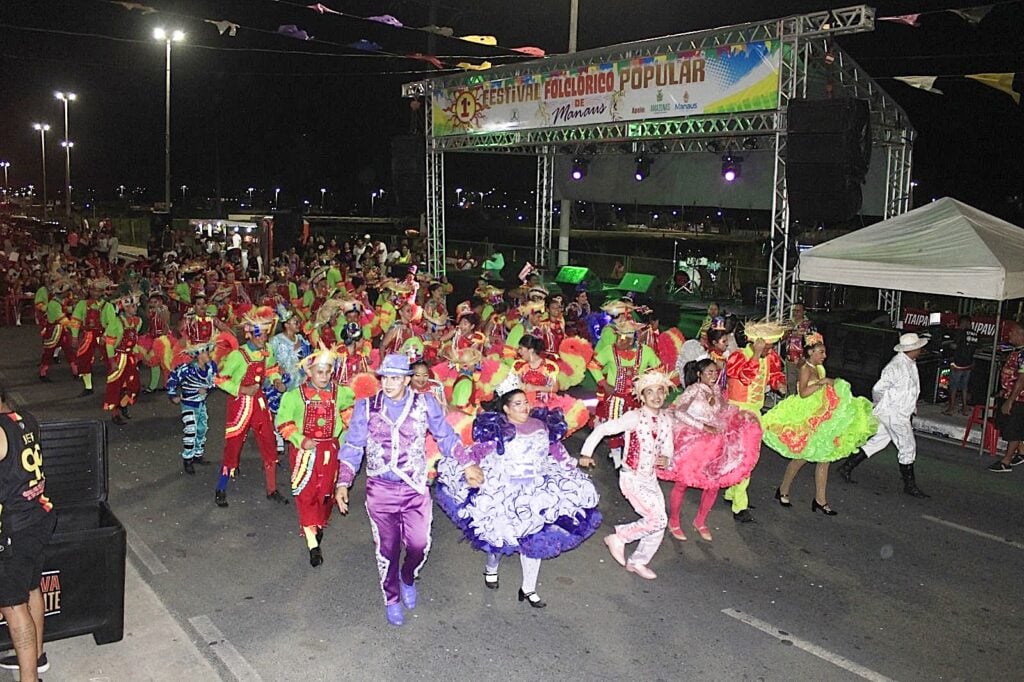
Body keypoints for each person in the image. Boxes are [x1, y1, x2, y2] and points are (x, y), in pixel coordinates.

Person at [334, 354, 485, 627]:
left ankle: (407, 577)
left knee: (419, 545)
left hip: (415, 487)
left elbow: (446, 436)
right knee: (387, 549)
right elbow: (354, 445)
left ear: (406, 380)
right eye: (385, 378)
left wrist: (467, 463)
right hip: (380, 488)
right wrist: (343, 482)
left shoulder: (425, 403)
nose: (388, 383)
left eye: (394, 378)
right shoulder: (366, 407)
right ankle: (391, 598)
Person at [434, 374, 601, 608]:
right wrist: (468, 469)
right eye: (518, 404)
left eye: (525, 402)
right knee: (499, 536)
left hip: (538, 489)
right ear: (506, 409)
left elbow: (557, 452)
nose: (525, 407)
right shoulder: (499, 430)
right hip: (505, 488)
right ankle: (491, 567)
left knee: (534, 538)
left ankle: (528, 588)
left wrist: (573, 465)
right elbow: (475, 454)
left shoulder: (541, 424)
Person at [761, 333, 877, 515]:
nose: (824, 355)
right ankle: (783, 489)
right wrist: (821, 383)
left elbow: (826, 386)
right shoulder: (805, 368)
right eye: (821, 352)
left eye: (825, 352)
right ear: (811, 352)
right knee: (801, 458)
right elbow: (803, 393)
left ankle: (820, 500)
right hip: (808, 416)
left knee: (825, 457)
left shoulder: (819, 368)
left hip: (822, 415)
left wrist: (829, 385)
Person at [581, 369, 674, 580]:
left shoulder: (667, 420)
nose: (656, 396)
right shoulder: (634, 417)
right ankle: (619, 537)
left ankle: (638, 561)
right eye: (650, 392)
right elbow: (604, 429)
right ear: (641, 397)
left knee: (658, 522)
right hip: (631, 478)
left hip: (650, 478)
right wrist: (586, 452)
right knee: (658, 519)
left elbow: (668, 446)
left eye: (660, 391)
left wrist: (666, 457)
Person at [659, 359, 762, 541]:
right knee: (683, 482)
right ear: (699, 374)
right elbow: (679, 412)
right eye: (709, 373)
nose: (713, 376)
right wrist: (702, 426)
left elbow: (723, 411)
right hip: (693, 442)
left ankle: (700, 521)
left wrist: (741, 416)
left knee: (713, 484)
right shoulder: (693, 390)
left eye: (715, 373)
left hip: (716, 443)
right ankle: (674, 521)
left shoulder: (716, 391)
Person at [275, 347, 355, 567]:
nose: (324, 376)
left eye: (328, 372)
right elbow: (283, 422)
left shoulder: (342, 394)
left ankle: (316, 525)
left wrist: (344, 441)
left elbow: (350, 422)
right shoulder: (294, 396)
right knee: (305, 495)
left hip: (331, 453)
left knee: (326, 495)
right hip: (304, 454)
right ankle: (313, 546)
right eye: (319, 372)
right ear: (309, 372)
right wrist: (301, 440)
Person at [0, 384, 55, 679]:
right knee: (32, 587)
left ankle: (30, 678)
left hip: (15, 528)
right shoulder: (25, 419)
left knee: (11, 604)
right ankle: (36, 656)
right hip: (38, 516)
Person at [836, 332, 930, 497]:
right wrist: (880, 405)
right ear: (912, 349)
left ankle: (846, 467)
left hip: (897, 411)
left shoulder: (909, 363)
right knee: (907, 446)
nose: (920, 350)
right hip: (894, 413)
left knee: (877, 442)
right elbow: (878, 389)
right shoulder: (895, 366)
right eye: (918, 348)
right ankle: (910, 485)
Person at [213, 308, 288, 508]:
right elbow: (219, 379)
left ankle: (272, 489)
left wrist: (276, 380)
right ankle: (221, 487)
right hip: (239, 404)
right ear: (249, 333)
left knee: (269, 442)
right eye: (259, 333)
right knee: (233, 444)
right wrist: (241, 389)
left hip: (259, 403)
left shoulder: (267, 351)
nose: (263, 337)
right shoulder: (238, 356)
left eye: (265, 332)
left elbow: (271, 368)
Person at [723, 320, 787, 522]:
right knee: (746, 458)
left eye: (770, 346)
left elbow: (774, 375)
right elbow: (744, 378)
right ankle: (739, 506)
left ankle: (732, 492)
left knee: (743, 456)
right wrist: (757, 355)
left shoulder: (769, 357)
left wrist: (779, 384)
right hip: (737, 412)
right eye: (767, 346)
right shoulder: (737, 357)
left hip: (755, 412)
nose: (770, 350)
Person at [166, 341, 218, 475]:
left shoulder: (211, 367)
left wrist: (206, 389)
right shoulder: (187, 369)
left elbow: (215, 382)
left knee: (202, 429)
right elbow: (172, 377)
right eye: (206, 352)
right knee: (191, 430)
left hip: (201, 404)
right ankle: (187, 459)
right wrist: (172, 395)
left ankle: (197, 454)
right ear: (199, 355)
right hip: (188, 404)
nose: (209, 354)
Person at [988, 323, 1024, 473]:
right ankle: (1021, 453)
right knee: (1015, 427)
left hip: (1019, 399)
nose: (1009, 335)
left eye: (1012, 332)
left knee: (1013, 430)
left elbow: (1022, 379)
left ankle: (1006, 461)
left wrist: (1010, 400)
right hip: (1011, 395)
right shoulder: (1017, 351)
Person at [945, 315, 978, 416]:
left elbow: (955, 345)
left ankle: (951, 408)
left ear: (963, 323)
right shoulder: (975, 334)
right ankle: (964, 408)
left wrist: (950, 346)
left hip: (958, 364)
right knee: (964, 387)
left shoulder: (961, 333)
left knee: (953, 387)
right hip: (968, 364)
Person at [783, 303, 814, 395]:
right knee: (790, 384)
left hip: (803, 359)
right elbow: (782, 339)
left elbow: (813, 342)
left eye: (798, 311)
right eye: (794, 311)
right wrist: (788, 331)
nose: (795, 313)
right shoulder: (789, 323)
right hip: (790, 358)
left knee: (802, 385)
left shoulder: (808, 324)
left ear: (804, 312)